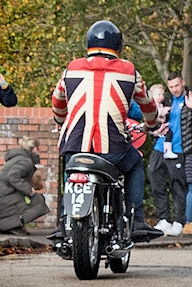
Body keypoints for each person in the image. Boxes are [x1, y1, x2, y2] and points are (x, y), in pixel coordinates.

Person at [51, 20, 162, 240]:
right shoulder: (129, 70)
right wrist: (151, 124)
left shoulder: (71, 68)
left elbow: (57, 103)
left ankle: (63, 223)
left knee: (71, 173)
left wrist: (61, 120)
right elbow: (148, 105)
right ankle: (137, 220)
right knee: (135, 163)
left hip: (75, 145)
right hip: (112, 148)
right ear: (118, 46)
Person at [148, 72, 192, 237]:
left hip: (180, 149)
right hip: (160, 146)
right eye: (171, 87)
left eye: (177, 85)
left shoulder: (191, 99)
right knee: (155, 178)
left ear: (183, 83)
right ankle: (164, 218)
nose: (174, 89)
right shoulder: (166, 101)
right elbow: (154, 120)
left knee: (177, 185)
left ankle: (179, 220)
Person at [0, 136, 50, 235]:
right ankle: (9, 225)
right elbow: (12, 177)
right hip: (5, 198)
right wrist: (29, 190)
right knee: (38, 200)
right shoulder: (25, 161)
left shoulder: (20, 159)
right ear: (35, 149)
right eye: (39, 149)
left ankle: (10, 225)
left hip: (5, 196)